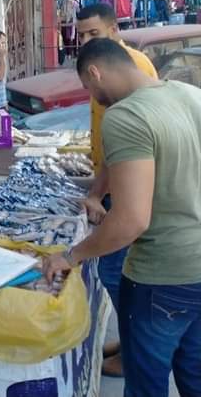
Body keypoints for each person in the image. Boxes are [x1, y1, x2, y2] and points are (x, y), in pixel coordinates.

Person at [43, 38, 201, 397]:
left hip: (162, 278)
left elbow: (131, 220)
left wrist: (71, 255)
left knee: (146, 384)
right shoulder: (192, 95)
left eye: (88, 87)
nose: (93, 97)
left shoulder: (126, 116)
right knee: (195, 375)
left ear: (95, 72)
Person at [75, 3, 158, 378]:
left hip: (127, 189)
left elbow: (125, 148)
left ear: (114, 30)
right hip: (114, 181)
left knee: (116, 273)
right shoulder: (107, 69)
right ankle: (129, 342)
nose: (85, 41)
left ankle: (133, 353)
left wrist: (97, 194)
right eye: (81, 35)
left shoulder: (127, 69)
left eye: (94, 33)